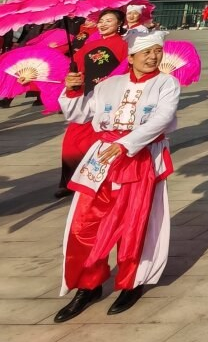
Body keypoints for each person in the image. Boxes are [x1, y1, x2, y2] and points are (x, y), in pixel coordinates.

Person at [54, 30, 179, 322]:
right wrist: (73, 90)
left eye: (157, 51)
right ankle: (88, 284)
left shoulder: (167, 83)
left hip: (139, 158)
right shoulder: (108, 85)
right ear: (131, 57)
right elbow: (79, 115)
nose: (153, 57)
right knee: (84, 224)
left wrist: (126, 143)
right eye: (147, 52)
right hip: (101, 160)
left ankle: (131, 282)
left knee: (133, 223)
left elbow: (162, 118)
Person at [57, 10, 128, 198]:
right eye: (101, 21)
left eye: (109, 21)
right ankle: (70, 181)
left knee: (98, 141)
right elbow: (76, 69)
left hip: (110, 101)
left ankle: (96, 180)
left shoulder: (125, 46)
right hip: (87, 97)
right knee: (72, 141)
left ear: (119, 24)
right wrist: (73, 78)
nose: (103, 24)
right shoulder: (90, 46)